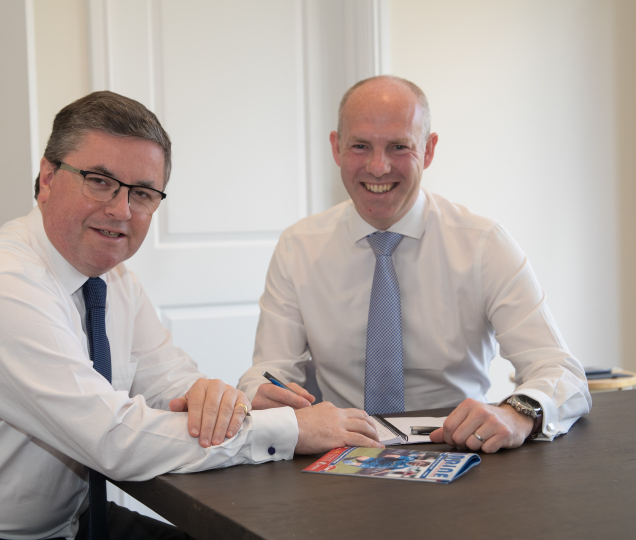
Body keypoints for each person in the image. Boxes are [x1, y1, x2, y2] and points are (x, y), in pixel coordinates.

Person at [0, 91, 382, 540]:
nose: (120, 209)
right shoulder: (0, 289)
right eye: (98, 180)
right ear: (46, 178)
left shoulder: (114, 281)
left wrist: (214, 397)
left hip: (57, 526)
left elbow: (167, 379)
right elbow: (113, 437)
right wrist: (289, 429)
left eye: (142, 192)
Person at [237, 75, 591, 454]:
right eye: (360, 146)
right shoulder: (298, 247)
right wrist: (260, 394)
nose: (377, 167)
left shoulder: (484, 244)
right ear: (336, 148)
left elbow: (561, 372)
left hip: (461, 451)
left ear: (429, 149)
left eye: (398, 146)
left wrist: (518, 412)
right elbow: (270, 371)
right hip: (339, 453)